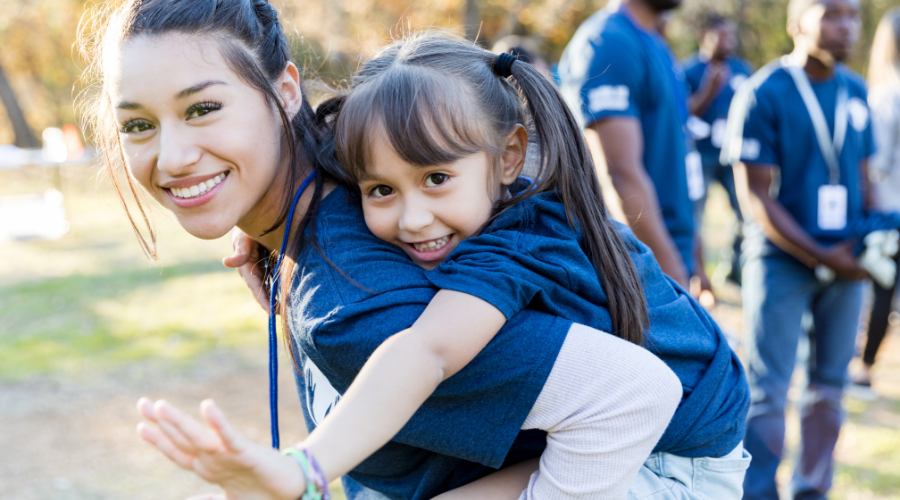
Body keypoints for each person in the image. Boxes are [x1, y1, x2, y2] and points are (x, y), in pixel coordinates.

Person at [77, 1, 685, 499]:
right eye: (138, 125)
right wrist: (260, 224)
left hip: (661, 456)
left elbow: (631, 399)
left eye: (203, 109)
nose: (174, 156)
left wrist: (304, 472)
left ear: (286, 90)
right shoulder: (365, 167)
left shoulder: (353, 303)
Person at [720, 0, 876, 498]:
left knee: (830, 388)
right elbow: (755, 198)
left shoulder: (855, 90)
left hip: (846, 262)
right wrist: (821, 254)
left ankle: (813, 489)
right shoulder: (764, 91)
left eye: (852, 15)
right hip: (781, 260)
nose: (846, 26)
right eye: (831, 14)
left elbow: (865, 180)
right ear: (796, 22)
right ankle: (759, 491)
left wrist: (873, 242)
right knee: (768, 390)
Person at [558, 0, 699, 289]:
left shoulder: (654, 41)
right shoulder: (608, 43)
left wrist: (694, 256)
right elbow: (620, 173)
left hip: (669, 252)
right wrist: (671, 276)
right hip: (640, 268)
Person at [682, 14, 754, 285]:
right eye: (721, 36)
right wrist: (708, 91)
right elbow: (684, 115)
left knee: (745, 210)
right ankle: (695, 272)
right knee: (696, 213)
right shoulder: (688, 71)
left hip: (734, 155)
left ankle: (734, 267)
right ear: (705, 38)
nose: (729, 42)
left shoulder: (743, 70)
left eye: (731, 36)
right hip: (701, 155)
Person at [850, 7, 900, 391]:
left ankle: (864, 371)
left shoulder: (886, 96)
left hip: (888, 209)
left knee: (880, 289)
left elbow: (876, 162)